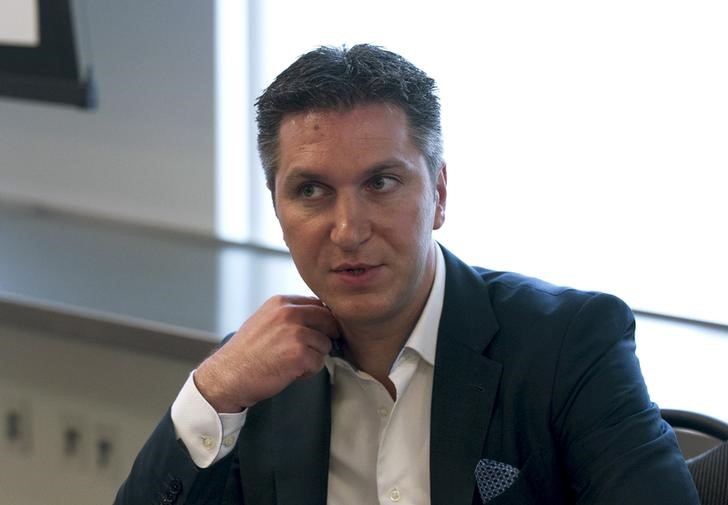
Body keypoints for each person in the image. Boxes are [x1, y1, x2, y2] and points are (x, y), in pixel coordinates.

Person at [114, 44, 699, 505]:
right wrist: (211, 393)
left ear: (439, 195)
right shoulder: (256, 375)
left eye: (381, 183)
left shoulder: (569, 343)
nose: (348, 229)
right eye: (311, 190)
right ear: (277, 210)